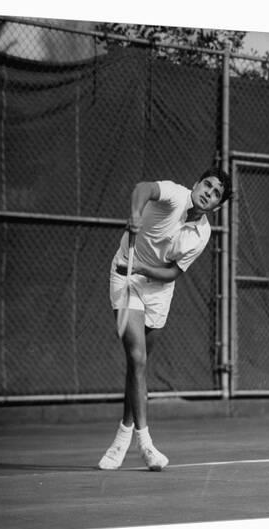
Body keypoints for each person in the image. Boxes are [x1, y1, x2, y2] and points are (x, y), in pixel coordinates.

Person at [98, 167, 232, 471]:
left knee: (138, 366)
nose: (208, 193)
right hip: (126, 276)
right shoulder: (174, 194)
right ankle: (145, 445)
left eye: (215, 195)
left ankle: (123, 434)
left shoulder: (203, 234)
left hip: (159, 290)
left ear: (217, 206)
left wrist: (146, 272)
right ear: (197, 184)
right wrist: (135, 212)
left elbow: (173, 273)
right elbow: (143, 187)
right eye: (206, 186)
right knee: (138, 358)